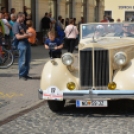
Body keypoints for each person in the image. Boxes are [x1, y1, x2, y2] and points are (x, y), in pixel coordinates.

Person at [12, 12, 32, 80]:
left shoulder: (23, 24)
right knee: (22, 60)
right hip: (21, 43)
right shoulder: (15, 25)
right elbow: (17, 37)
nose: (24, 18)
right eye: (23, 17)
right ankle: (21, 75)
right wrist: (26, 35)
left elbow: (26, 32)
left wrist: (30, 33)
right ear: (19, 17)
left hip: (26, 42)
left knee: (27, 59)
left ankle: (26, 74)